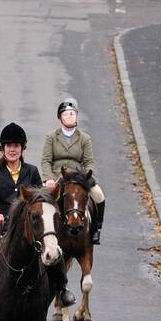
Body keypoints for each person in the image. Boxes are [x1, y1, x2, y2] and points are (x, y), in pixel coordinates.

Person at [0, 123, 75, 314]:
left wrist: (47, 191)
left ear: (22, 148)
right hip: (0, 228)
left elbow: (40, 196)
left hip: (27, 230)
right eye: (9, 146)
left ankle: (63, 290)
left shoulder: (31, 171)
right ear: (3, 149)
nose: (12, 150)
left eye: (16, 146)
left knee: (55, 252)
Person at [41, 99, 105, 245]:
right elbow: (45, 160)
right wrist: (48, 178)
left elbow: (89, 161)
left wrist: (86, 175)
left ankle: (96, 229)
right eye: (66, 114)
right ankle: (41, 234)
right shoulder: (51, 137)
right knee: (40, 200)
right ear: (60, 118)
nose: (70, 116)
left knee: (99, 195)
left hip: (78, 177)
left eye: (73, 113)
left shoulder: (84, 138)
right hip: (58, 176)